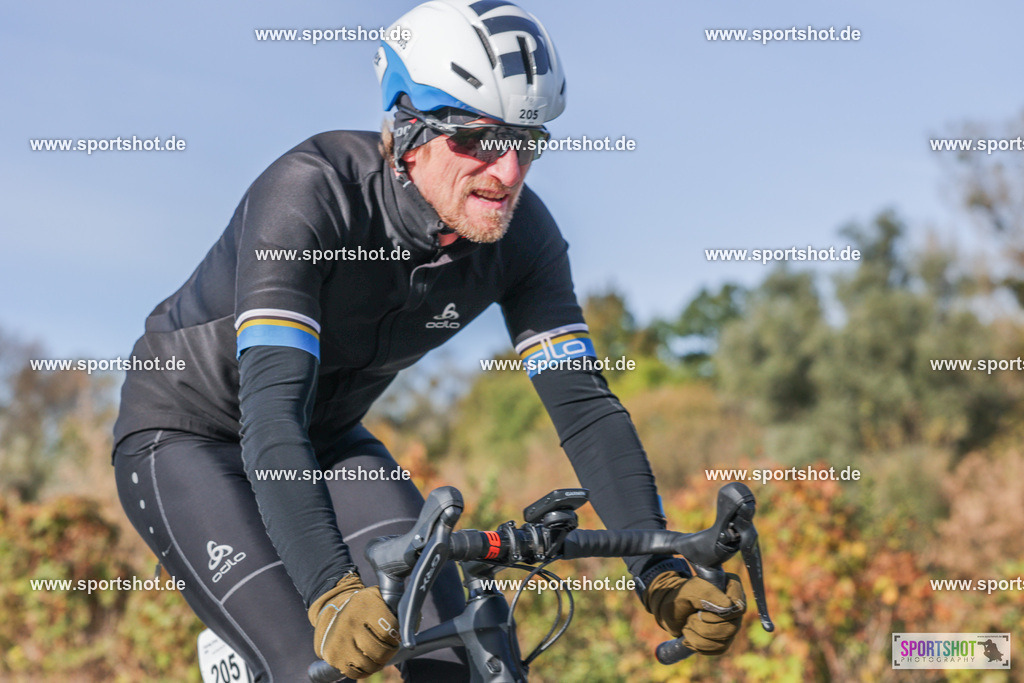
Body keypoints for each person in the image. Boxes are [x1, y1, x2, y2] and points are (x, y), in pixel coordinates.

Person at [111, 1, 746, 680]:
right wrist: (330, 592)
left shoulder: (524, 238)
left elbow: (586, 412)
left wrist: (660, 572)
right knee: (312, 663)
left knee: (461, 657)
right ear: (410, 128)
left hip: (327, 441)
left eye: (527, 140)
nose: (509, 173)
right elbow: (270, 413)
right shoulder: (311, 193)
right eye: (480, 139)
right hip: (188, 436)